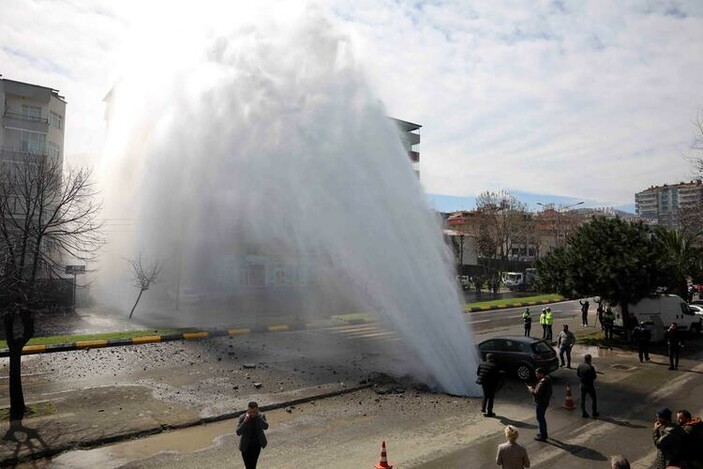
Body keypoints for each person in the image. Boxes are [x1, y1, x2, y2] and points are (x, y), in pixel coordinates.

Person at [236, 401, 269, 469]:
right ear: (248, 410)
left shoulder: (261, 416)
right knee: (248, 466)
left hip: (256, 445)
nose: (252, 414)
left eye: (254, 412)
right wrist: (245, 421)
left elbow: (266, 427)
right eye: (250, 412)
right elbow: (238, 432)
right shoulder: (242, 417)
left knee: (253, 465)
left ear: (257, 410)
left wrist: (259, 418)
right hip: (245, 446)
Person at [527, 368, 552, 442]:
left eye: (537, 374)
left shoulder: (542, 383)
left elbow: (536, 394)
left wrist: (531, 390)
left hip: (541, 403)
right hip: (545, 401)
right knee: (541, 418)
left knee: (540, 418)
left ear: (542, 374)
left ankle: (543, 435)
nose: (536, 375)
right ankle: (543, 433)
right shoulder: (548, 380)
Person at [576, 354, 599, 418]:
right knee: (594, 398)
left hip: (582, 384)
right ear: (590, 359)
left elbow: (578, 374)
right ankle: (594, 412)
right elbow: (594, 377)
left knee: (582, 399)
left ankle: (583, 412)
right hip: (589, 385)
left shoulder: (580, 365)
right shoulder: (590, 367)